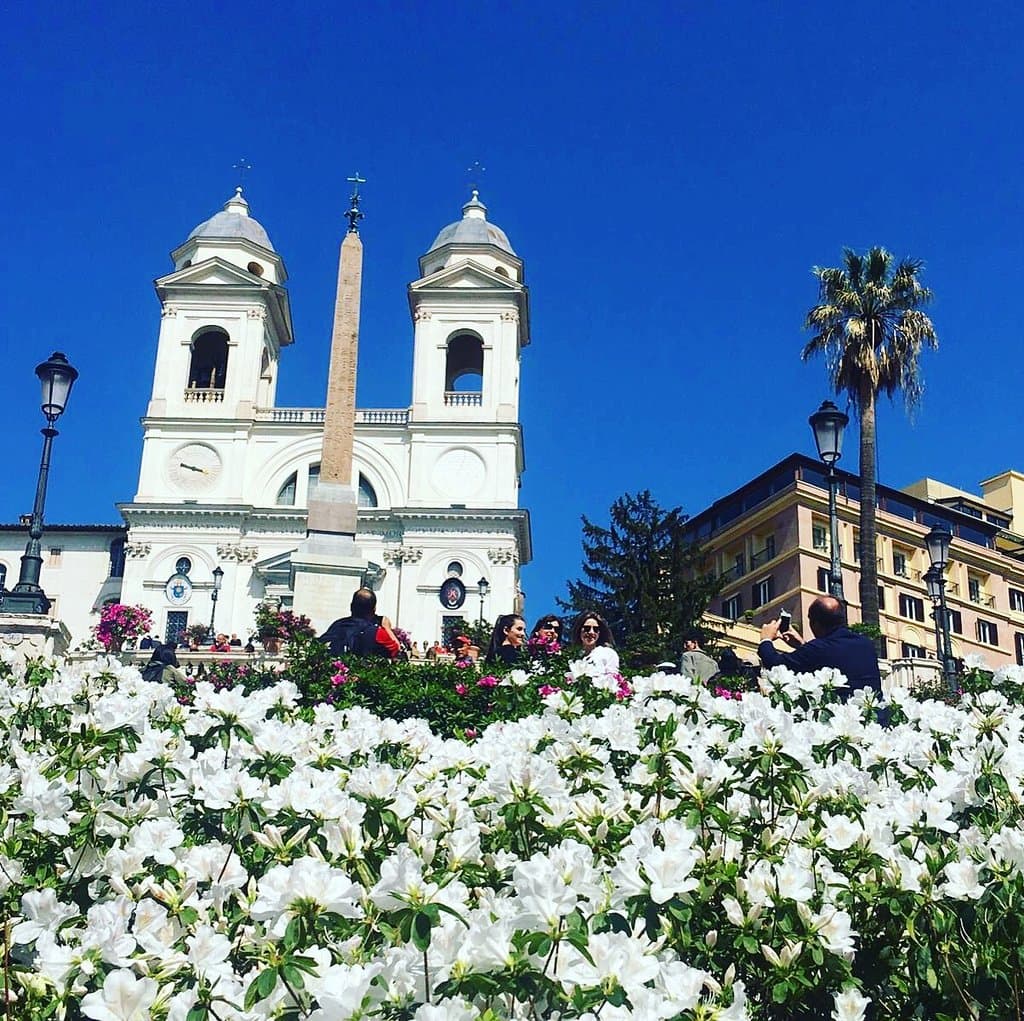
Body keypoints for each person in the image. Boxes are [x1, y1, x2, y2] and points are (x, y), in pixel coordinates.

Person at [758, 595, 882, 698]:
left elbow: (775, 665)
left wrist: (766, 640)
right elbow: (832, 658)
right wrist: (803, 645)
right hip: (875, 721)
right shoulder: (866, 644)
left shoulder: (817, 649)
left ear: (815, 624)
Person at [319, 587, 401, 659]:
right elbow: (396, 649)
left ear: (351, 606)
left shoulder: (337, 625)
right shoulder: (376, 632)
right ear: (374, 610)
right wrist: (387, 627)